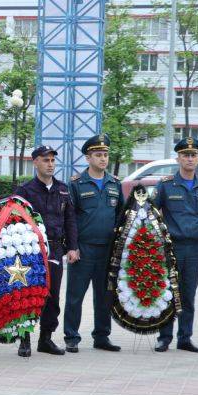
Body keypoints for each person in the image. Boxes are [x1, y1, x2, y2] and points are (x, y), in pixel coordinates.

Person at [16, 146, 79, 358]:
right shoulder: (24, 191)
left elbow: (70, 219)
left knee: (52, 296)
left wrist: (72, 247)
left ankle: (46, 338)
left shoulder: (62, 189)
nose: (50, 164)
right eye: (46, 160)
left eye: (52, 160)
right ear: (35, 163)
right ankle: (24, 338)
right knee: (29, 294)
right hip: (31, 250)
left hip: (55, 248)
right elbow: (15, 222)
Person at [153, 137, 198, 353]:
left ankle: (185, 338)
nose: (190, 158)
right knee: (168, 292)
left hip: (195, 248)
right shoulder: (166, 185)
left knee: (188, 294)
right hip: (171, 247)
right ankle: (164, 337)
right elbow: (152, 215)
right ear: (178, 158)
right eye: (185, 155)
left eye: (194, 155)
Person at [64, 134, 124, 353]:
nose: (103, 159)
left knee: (104, 295)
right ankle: (71, 336)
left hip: (107, 249)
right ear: (88, 157)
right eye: (98, 155)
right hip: (84, 248)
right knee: (75, 295)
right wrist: (72, 246)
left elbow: (120, 216)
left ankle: (102, 336)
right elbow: (69, 218)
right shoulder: (77, 184)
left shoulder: (115, 184)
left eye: (106, 155)